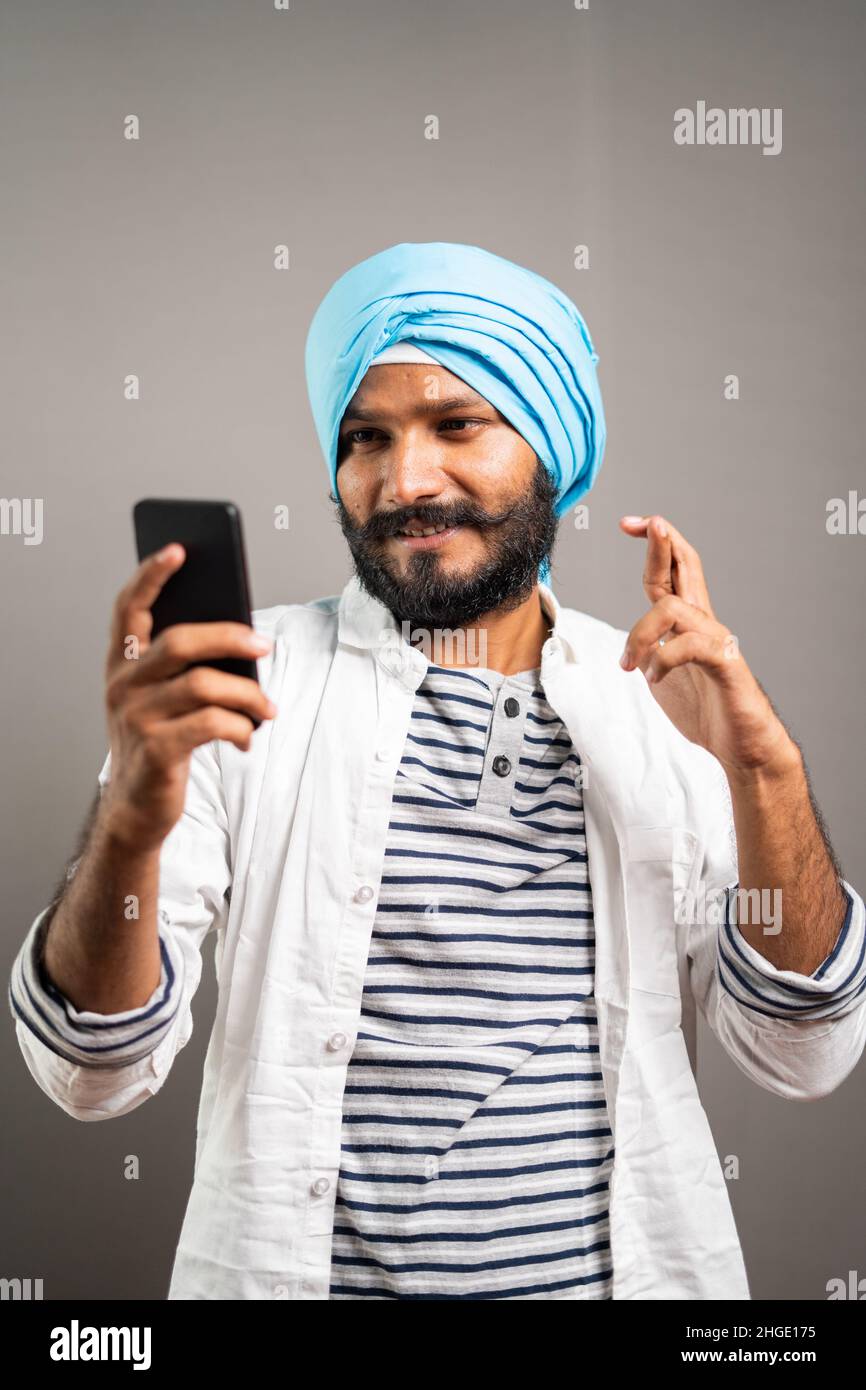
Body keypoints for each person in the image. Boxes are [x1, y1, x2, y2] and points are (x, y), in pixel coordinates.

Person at [9, 242, 866, 1301]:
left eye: (456, 425)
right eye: (365, 438)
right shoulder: (234, 691)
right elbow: (90, 1075)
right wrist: (131, 822)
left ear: (549, 443)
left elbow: (803, 1053)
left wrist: (761, 768)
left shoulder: (658, 695)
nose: (405, 481)